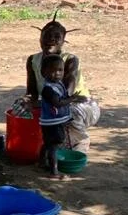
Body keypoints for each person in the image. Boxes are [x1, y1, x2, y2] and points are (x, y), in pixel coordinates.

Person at [25, 18, 100, 151]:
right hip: (51, 102)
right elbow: (31, 90)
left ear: (63, 41)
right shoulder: (33, 60)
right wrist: (28, 101)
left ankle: (80, 142)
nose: (51, 39)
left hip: (79, 104)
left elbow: (67, 94)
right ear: (40, 38)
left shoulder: (70, 60)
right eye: (47, 36)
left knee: (66, 112)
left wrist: (41, 104)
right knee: (20, 107)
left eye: (57, 37)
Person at [39, 54, 86, 175]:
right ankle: (54, 171)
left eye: (60, 70)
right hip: (52, 123)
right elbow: (58, 103)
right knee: (55, 145)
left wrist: (74, 98)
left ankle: (41, 162)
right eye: (53, 70)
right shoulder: (49, 89)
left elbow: (63, 98)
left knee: (48, 143)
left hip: (54, 121)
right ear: (44, 72)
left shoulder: (58, 84)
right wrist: (72, 99)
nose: (57, 73)